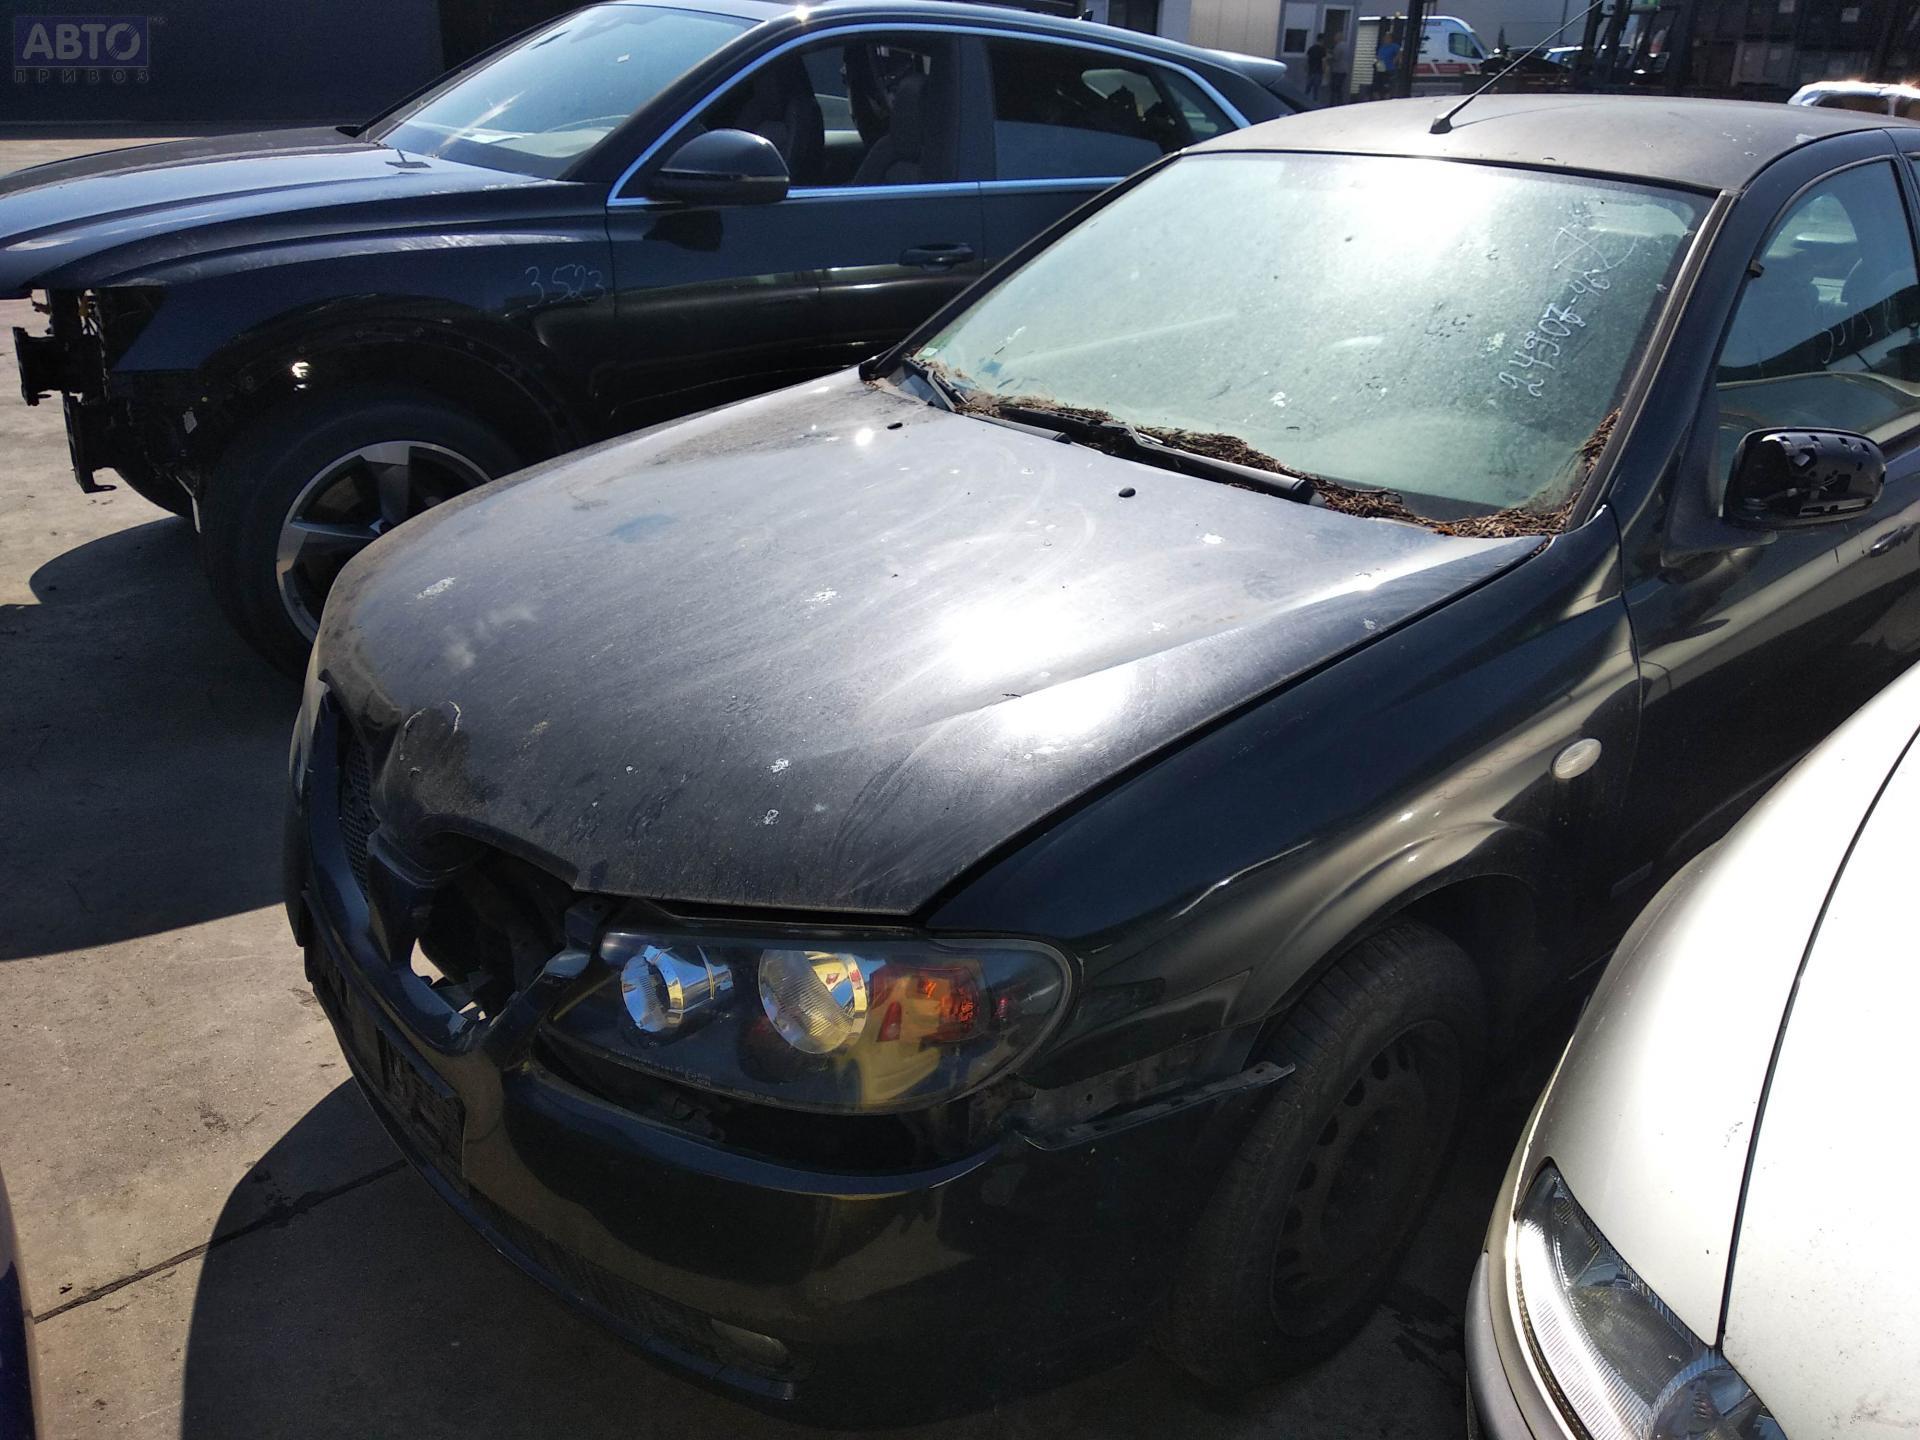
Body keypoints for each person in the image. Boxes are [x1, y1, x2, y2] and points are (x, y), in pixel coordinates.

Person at [1373, 30, 1400, 98]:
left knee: (1388, 84)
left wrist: (1395, 61)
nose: (1385, 39)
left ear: (1391, 38)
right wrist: (1375, 62)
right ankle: (1379, 95)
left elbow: (1399, 54)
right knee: (1379, 84)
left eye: (1387, 37)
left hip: (1390, 68)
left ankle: (1388, 95)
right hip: (1381, 68)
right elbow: (1378, 56)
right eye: (1385, 37)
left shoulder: (1395, 46)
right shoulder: (1382, 47)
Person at [1326, 31, 1348, 104]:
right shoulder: (1346, 45)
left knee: (1334, 88)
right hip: (1344, 70)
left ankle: (1333, 104)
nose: (1334, 38)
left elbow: (1336, 57)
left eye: (1335, 37)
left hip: (1337, 70)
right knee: (1340, 88)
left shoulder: (1338, 46)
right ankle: (1340, 103)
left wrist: (1329, 56)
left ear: (1338, 38)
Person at [1305, 35, 1327, 103]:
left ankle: (1303, 101)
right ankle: (1314, 104)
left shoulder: (1311, 48)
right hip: (1318, 71)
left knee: (1308, 88)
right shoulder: (1322, 50)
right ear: (1322, 40)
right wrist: (1324, 71)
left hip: (1311, 71)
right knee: (1316, 90)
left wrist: (1306, 70)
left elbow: (1307, 60)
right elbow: (1323, 61)